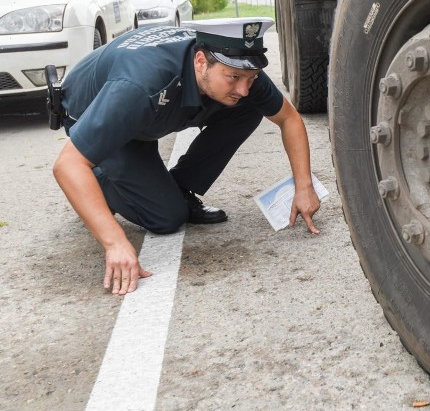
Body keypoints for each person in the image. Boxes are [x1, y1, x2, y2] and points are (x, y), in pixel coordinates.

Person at [52, 17, 321, 296]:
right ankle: (96, 182)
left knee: (249, 106)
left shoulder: (235, 64)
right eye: (234, 78)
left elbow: (289, 119)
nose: (243, 88)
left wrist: (304, 187)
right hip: (97, 112)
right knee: (166, 217)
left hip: (144, 113)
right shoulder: (140, 85)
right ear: (201, 61)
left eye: (250, 79)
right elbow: (67, 165)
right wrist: (114, 243)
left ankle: (178, 187)